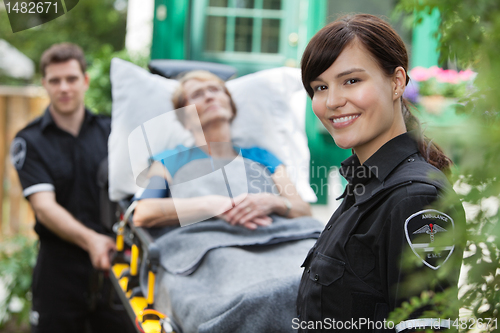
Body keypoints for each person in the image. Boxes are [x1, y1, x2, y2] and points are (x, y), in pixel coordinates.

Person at [295, 14, 464, 332]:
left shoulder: (417, 199)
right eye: (320, 87)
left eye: (351, 81)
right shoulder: (364, 183)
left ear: (396, 82)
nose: (332, 101)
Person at [10, 43, 135, 333]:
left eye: (71, 79)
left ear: (85, 81)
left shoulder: (112, 132)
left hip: (113, 266)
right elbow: (44, 207)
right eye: (55, 80)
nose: (64, 87)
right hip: (59, 271)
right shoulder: (29, 141)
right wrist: (91, 240)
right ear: (44, 84)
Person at [133, 70, 312, 228]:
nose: (210, 96)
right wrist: (211, 206)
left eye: (215, 89)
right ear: (186, 118)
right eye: (197, 94)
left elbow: (303, 210)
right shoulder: (170, 160)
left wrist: (275, 203)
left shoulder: (262, 157)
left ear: (231, 106)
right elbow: (144, 212)